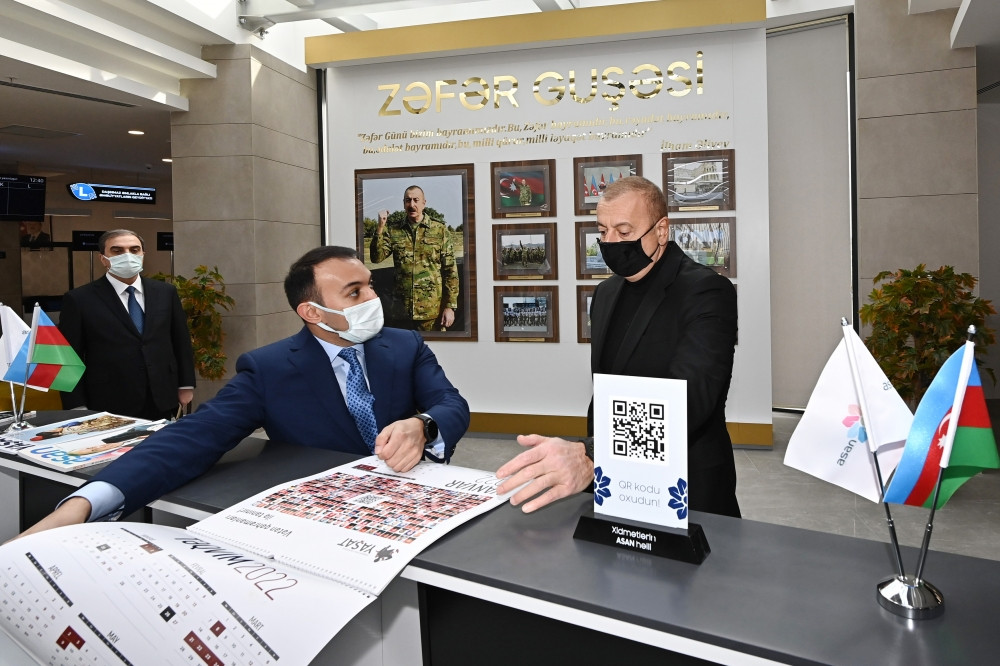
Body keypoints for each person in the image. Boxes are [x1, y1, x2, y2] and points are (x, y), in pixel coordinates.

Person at [19, 246, 470, 535]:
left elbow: (450, 403)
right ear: (312, 312)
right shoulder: (269, 369)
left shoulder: (404, 344)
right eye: (355, 292)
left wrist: (423, 426)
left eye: (370, 285)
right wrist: (84, 504)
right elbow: (195, 435)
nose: (372, 298)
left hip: (417, 501)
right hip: (327, 519)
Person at [497, 176, 740, 518]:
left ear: (661, 230)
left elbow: (689, 402)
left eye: (624, 232)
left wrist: (591, 453)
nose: (610, 242)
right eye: (603, 231)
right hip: (617, 485)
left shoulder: (706, 291)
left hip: (688, 487)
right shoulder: (606, 293)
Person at [59, 229, 196, 420]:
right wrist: (76, 405)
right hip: (108, 400)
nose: (127, 255)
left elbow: (180, 340)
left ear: (143, 254)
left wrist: (186, 384)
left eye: (134, 250)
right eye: (117, 251)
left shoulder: (165, 292)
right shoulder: (79, 299)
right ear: (103, 258)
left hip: (162, 397)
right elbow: (68, 356)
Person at [370, 185, 459, 331]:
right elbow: (376, 257)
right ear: (403, 203)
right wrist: (380, 227)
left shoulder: (440, 230)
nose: (411, 205)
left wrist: (450, 306)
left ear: (424, 203)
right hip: (401, 312)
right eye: (408, 200)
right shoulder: (394, 230)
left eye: (416, 200)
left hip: (431, 312)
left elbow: (450, 271)